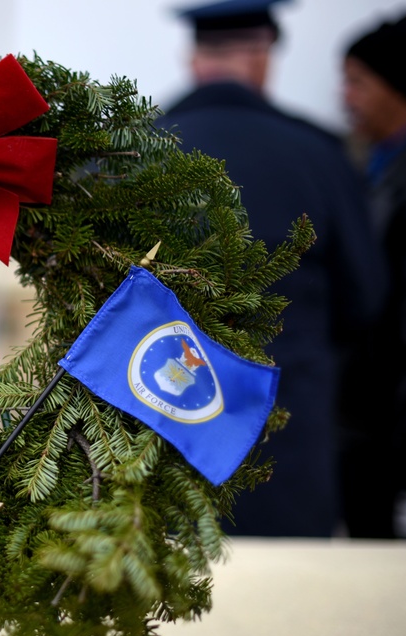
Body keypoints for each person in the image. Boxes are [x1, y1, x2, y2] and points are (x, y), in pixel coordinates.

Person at [160, 0, 386, 536]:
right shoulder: (321, 154)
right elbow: (366, 300)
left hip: (151, 442)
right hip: (285, 443)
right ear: (263, 56)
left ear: (194, 59)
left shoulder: (127, 153)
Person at [338, 13, 406, 539]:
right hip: (368, 420)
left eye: (358, 81)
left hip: (396, 425)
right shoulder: (371, 163)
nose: (345, 96)